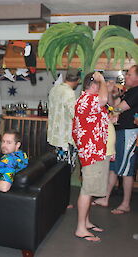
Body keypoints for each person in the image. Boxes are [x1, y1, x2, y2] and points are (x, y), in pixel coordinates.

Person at [92, 65, 138, 215]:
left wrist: (110, 112)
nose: (127, 76)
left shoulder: (136, 92)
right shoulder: (129, 92)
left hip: (129, 133)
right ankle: (105, 198)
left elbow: (118, 108)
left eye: (130, 74)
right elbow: (112, 105)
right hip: (120, 132)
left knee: (126, 170)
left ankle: (125, 204)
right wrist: (111, 93)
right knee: (114, 166)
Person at [72, 71, 109, 242]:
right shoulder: (88, 99)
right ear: (93, 85)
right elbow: (103, 100)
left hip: (94, 151)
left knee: (90, 188)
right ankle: (80, 228)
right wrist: (101, 80)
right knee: (87, 190)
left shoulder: (87, 100)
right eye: (99, 84)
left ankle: (85, 222)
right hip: (91, 153)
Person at [48, 68, 80, 168]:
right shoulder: (69, 93)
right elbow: (75, 115)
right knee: (67, 170)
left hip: (54, 138)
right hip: (65, 140)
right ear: (77, 80)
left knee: (57, 171)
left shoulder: (54, 89)